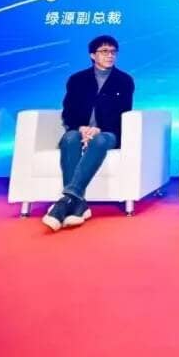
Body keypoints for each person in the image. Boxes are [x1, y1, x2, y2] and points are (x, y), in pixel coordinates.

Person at [43, 35, 135, 231]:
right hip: (80, 130)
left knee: (100, 141)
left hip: (109, 133)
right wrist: (81, 128)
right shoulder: (77, 80)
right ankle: (78, 204)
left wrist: (99, 129)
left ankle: (66, 200)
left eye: (113, 52)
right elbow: (68, 111)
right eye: (104, 51)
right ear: (92, 55)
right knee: (70, 138)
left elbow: (124, 113)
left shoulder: (124, 81)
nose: (110, 55)